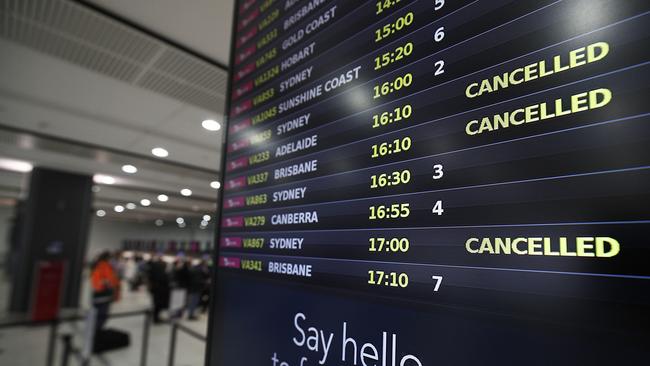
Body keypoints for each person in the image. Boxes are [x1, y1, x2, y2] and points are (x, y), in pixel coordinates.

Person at [90, 251, 120, 333]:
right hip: (103, 295)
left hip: (98, 295)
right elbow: (108, 280)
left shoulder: (98, 265)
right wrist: (109, 284)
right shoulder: (104, 266)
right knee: (102, 316)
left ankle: (95, 332)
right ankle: (96, 333)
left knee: (98, 315)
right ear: (107, 258)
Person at [147, 255, 170, 323]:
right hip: (160, 291)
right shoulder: (162, 274)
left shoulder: (153, 271)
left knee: (156, 304)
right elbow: (165, 282)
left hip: (155, 290)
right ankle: (156, 318)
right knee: (158, 305)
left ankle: (155, 317)